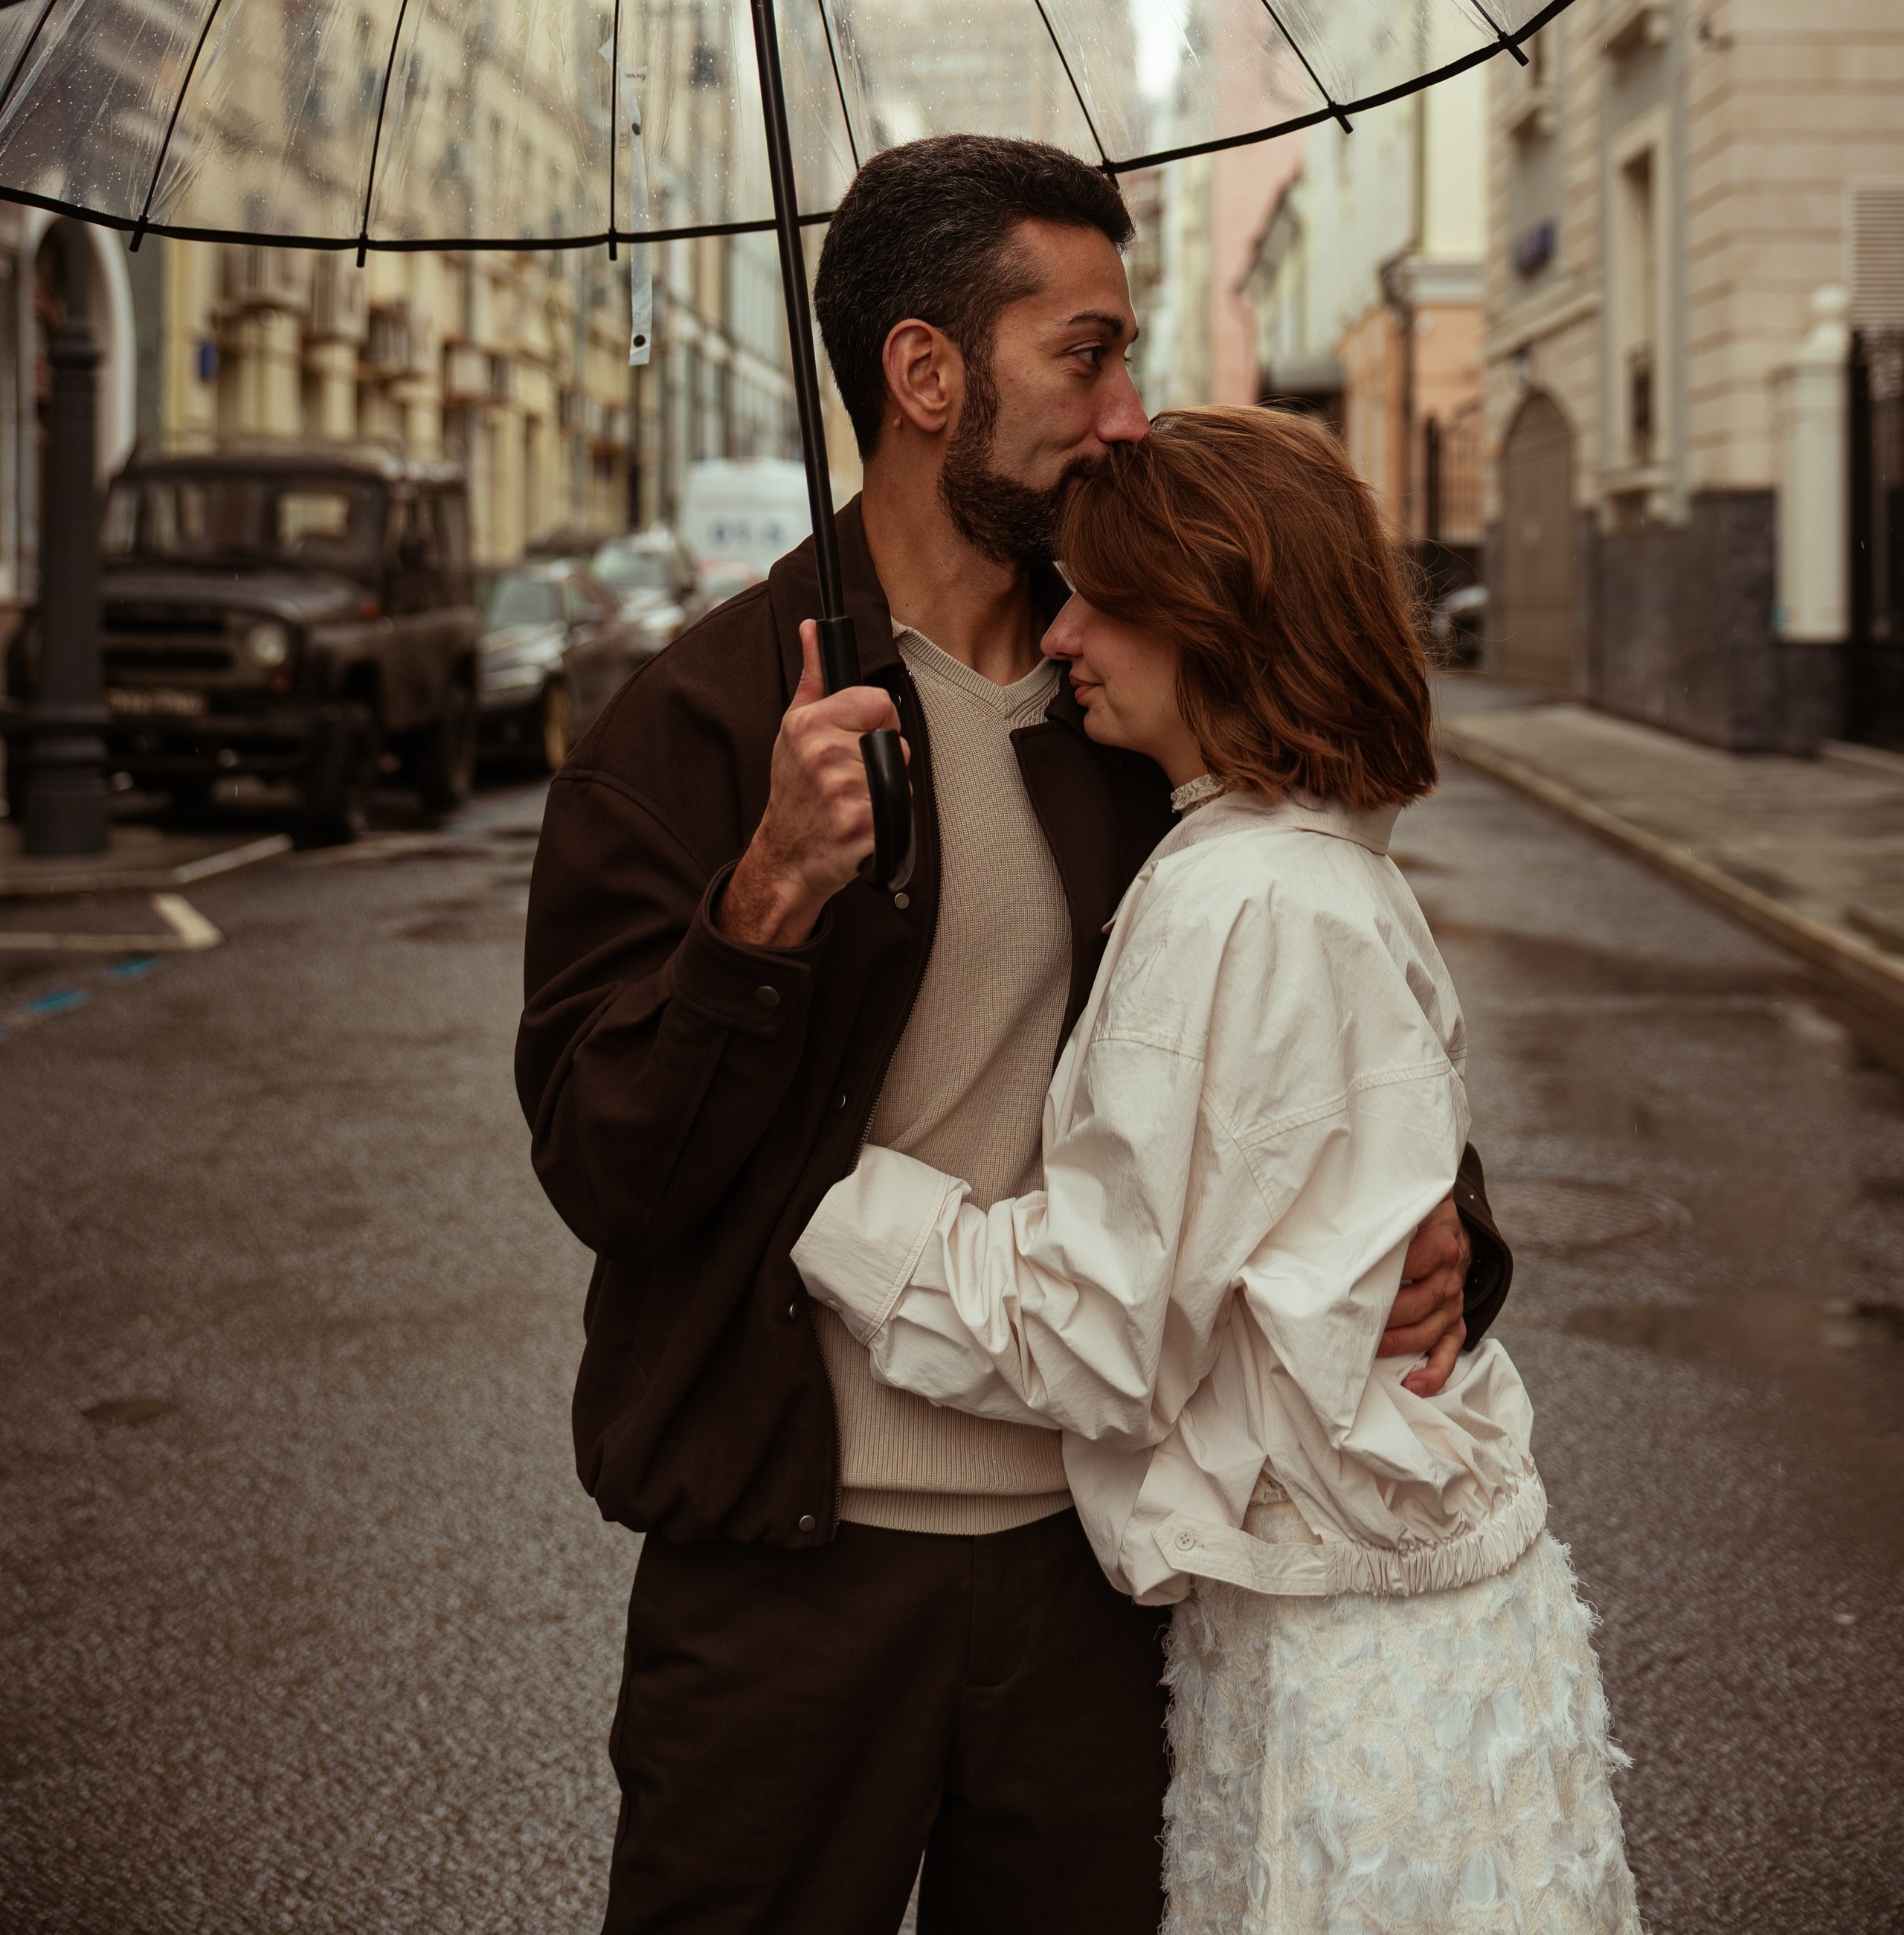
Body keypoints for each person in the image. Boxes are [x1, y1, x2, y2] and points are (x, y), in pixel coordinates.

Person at [517, 138, 1511, 1935]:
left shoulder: (1132, 702)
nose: (1125, 412)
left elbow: (1308, 1009)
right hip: (783, 1577)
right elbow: (608, 1169)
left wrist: (1439, 1222)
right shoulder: (692, 727)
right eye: (1085, 354)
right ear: (925, 374)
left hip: (1100, 1571)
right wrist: (762, 899)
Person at [794, 405, 1642, 1935]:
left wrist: (832, 1195)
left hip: (1335, 1660)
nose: (1060, 634)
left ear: (1219, 621)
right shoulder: (1325, 860)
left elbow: (1096, 1331)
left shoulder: (1230, 901)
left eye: (1102, 601)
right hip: (1411, 1616)